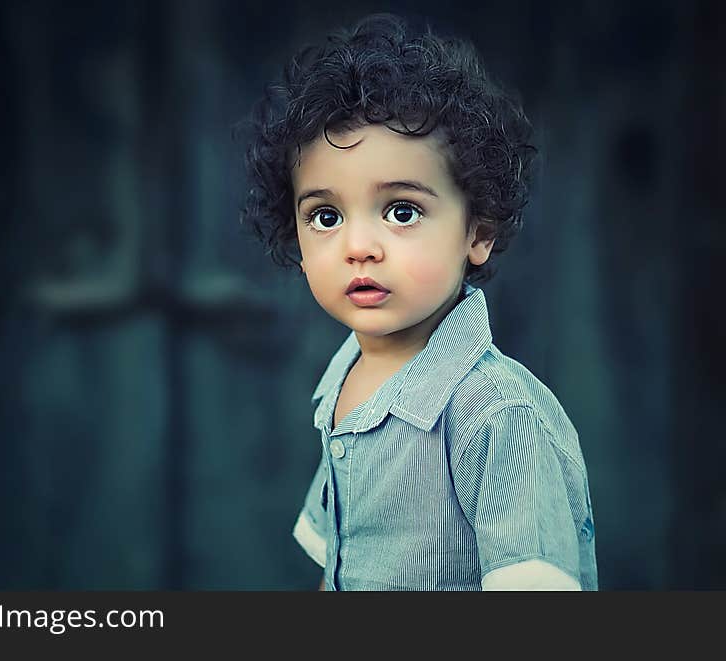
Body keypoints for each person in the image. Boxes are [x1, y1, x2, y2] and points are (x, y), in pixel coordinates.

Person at [237, 13, 598, 590]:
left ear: (476, 232)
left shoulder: (499, 416)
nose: (359, 247)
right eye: (325, 216)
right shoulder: (342, 380)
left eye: (401, 211)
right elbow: (347, 555)